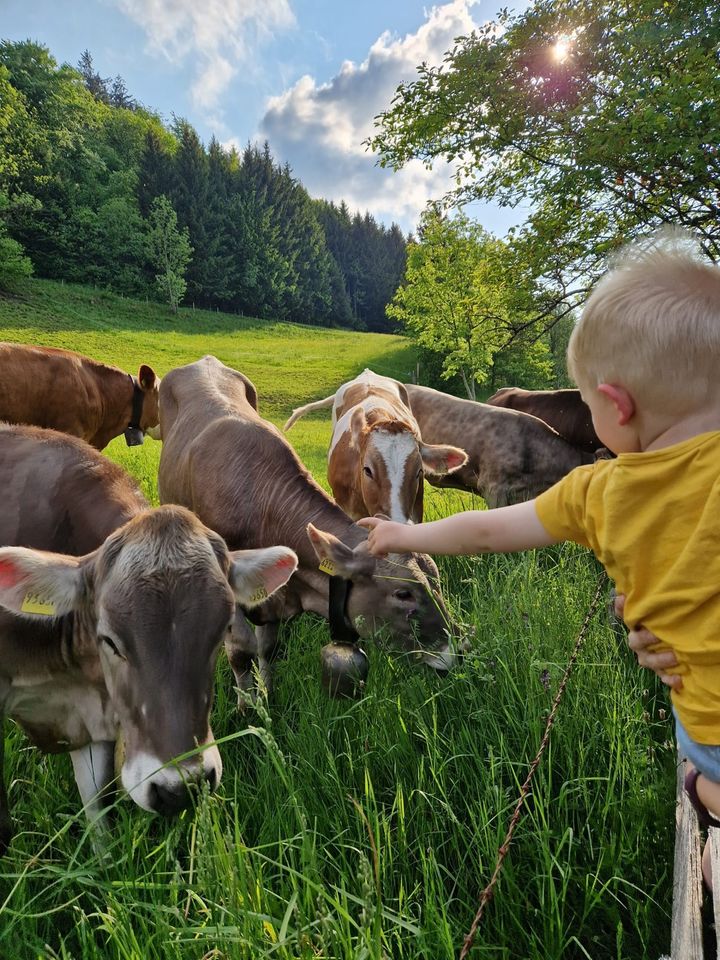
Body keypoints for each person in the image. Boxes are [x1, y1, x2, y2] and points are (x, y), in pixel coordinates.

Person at [359, 233, 720, 885]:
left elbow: (486, 533)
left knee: (703, 782)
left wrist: (399, 537)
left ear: (614, 406)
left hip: (710, 731)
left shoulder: (598, 490)